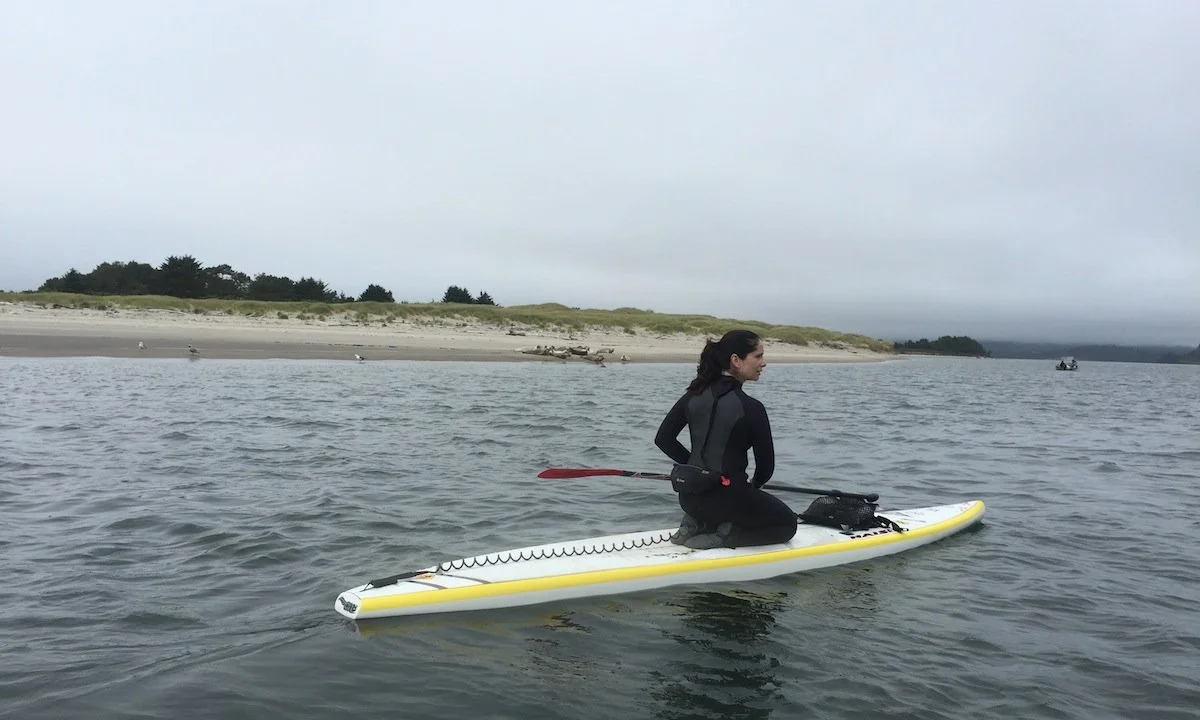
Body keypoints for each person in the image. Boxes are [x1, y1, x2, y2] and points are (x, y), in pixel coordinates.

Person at [654, 329, 798, 549]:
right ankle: (725, 535)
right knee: (788, 525)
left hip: (689, 498)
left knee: (725, 501)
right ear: (736, 361)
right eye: (758, 356)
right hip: (728, 500)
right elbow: (765, 468)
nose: (764, 363)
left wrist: (696, 469)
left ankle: (696, 523)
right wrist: (754, 485)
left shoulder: (692, 395)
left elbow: (663, 439)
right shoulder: (751, 408)